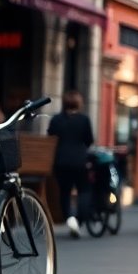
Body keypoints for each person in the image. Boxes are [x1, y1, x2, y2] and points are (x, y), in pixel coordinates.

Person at [47, 90, 95, 238]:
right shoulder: (84, 119)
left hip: (61, 160)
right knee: (84, 190)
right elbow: (89, 140)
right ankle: (80, 218)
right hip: (80, 160)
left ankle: (70, 217)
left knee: (65, 192)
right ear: (79, 103)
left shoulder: (56, 119)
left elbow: (50, 137)